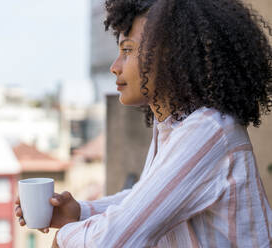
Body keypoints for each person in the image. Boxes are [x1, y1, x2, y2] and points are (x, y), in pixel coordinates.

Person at [15, 0, 272, 247]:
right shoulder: (174, 126)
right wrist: (80, 211)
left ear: (173, 56)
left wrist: (65, 237)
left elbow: (114, 241)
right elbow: (146, 199)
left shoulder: (208, 131)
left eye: (127, 50)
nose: (115, 67)